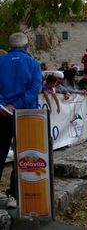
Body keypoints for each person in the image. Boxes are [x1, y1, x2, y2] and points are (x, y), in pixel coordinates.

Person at [0, 32, 42, 209]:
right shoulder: (33, 64)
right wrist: (16, 105)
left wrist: (4, 105)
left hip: (2, 114)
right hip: (25, 114)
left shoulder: (1, 61)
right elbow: (33, 90)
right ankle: (15, 194)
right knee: (23, 154)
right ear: (26, 46)